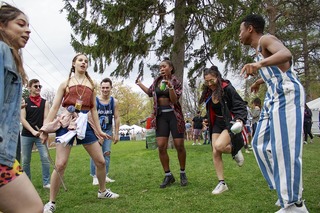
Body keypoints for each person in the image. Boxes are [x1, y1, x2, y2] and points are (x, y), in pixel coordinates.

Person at [239, 14, 308, 212]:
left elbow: (286, 55)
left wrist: (259, 65)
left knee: (285, 149)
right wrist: (260, 80)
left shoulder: (265, 40)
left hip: (287, 94)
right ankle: (284, 191)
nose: (239, 35)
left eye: (240, 31)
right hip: (273, 96)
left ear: (250, 28)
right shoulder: (259, 50)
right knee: (259, 143)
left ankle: (294, 204)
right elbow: (280, 68)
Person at [41, 53, 119, 213]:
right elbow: (55, 107)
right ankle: (51, 203)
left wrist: (99, 131)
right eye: (80, 60)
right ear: (74, 63)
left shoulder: (91, 85)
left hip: (85, 123)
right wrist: (45, 129)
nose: (83, 63)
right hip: (67, 122)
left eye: (86, 61)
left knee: (101, 161)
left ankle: (102, 191)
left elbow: (94, 110)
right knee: (60, 164)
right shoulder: (65, 83)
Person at [0, 3, 43, 212]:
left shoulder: (11, 56)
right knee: (32, 207)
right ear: (1, 25)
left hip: (5, 153)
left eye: (29, 26)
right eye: (21, 24)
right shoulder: (1, 51)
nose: (28, 30)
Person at [136, 57, 188, 188]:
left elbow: (175, 100)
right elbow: (149, 92)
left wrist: (170, 87)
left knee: (179, 145)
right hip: (160, 116)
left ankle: (182, 173)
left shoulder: (176, 81)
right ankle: (168, 175)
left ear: (171, 68)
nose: (162, 68)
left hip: (174, 116)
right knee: (161, 146)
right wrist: (139, 83)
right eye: (160, 67)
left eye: (164, 66)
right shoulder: (157, 81)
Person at [199, 66, 247, 195]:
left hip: (228, 122)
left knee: (219, 146)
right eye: (207, 81)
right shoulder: (209, 92)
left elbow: (240, 105)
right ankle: (222, 183)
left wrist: (240, 120)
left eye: (212, 80)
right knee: (215, 151)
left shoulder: (227, 88)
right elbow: (213, 109)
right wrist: (206, 118)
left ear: (218, 77)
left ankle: (235, 149)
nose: (209, 84)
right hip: (216, 124)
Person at [20, 79, 51, 189]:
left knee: (45, 158)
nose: (38, 88)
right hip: (27, 135)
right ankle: (27, 183)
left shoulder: (45, 102)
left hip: (40, 135)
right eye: (35, 86)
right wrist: (33, 131)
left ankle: (46, 182)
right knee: (25, 160)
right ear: (29, 88)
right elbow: (22, 119)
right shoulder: (25, 102)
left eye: (39, 86)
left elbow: (46, 118)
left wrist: (43, 132)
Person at [90, 77, 119, 185]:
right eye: (103, 88)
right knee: (95, 154)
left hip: (108, 130)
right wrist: (97, 133)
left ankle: (105, 175)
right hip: (96, 130)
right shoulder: (96, 101)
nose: (105, 90)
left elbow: (116, 118)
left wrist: (116, 133)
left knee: (107, 153)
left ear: (111, 88)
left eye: (107, 88)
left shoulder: (114, 102)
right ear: (100, 88)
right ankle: (94, 176)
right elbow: (91, 116)